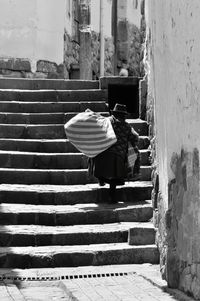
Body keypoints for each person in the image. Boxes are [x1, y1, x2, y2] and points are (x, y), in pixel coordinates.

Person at [88, 103, 140, 203]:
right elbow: (135, 138)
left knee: (96, 159)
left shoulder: (106, 121)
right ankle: (112, 197)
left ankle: (101, 178)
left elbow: (97, 129)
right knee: (114, 178)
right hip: (118, 156)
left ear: (114, 113)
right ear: (124, 115)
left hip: (103, 153)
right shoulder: (127, 127)